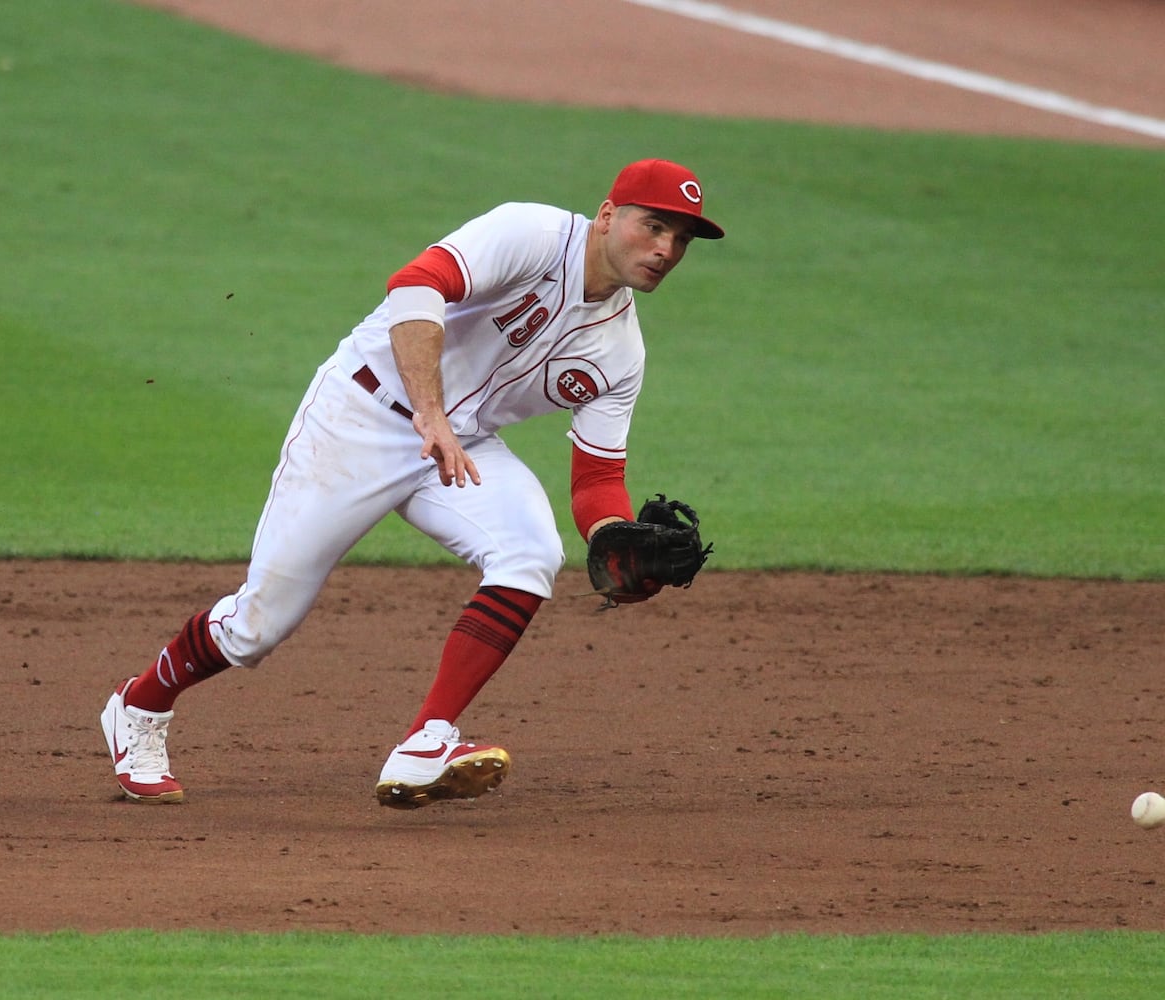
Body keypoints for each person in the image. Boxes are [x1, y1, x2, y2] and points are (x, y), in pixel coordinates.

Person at [100, 158, 724, 808]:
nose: (665, 250)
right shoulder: (533, 234)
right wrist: (431, 413)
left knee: (531, 553)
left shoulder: (621, 351)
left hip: (461, 446)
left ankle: (427, 740)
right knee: (258, 625)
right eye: (654, 227)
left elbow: (597, 478)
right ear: (607, 215)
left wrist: (615, 535)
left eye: (680, 240)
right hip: (361, 415)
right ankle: (139, 706)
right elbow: (416, 285)